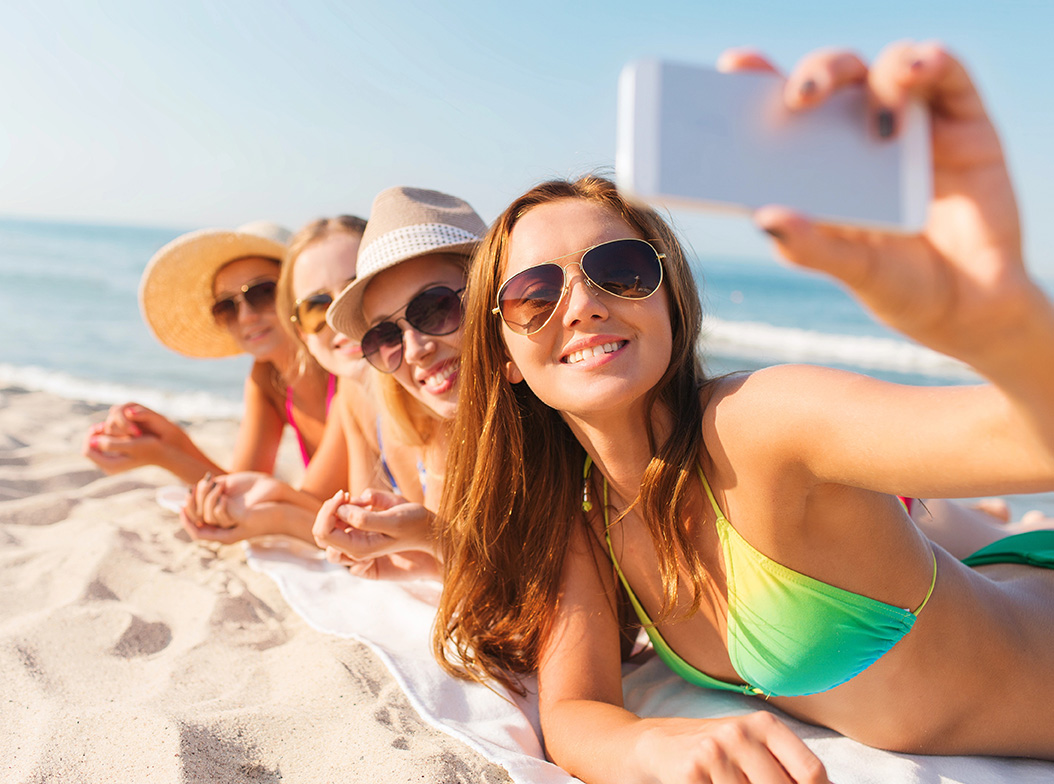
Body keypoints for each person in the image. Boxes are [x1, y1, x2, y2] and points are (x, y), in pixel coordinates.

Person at [435, 41, 1054, 784]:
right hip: (996, 578)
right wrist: (655, 747)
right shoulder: (587, 512)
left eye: (620, 271)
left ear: (669, 302)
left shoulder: (758, 422)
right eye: (535, 295)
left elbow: (1031, 442)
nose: (585, 303)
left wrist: (1002, 327)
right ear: (504, 357)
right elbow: (575, 711)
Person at [185, 188, 486, 581]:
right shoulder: (360, 393)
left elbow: (457, 551)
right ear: (300, 331)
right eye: (315, 307)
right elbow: (373, 533)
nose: (333, 318)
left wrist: (275, 508)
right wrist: (272, 503)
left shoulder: (441, 388)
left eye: (352, 291)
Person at [83, 221, 333, 485]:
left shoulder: (341, 372)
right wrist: (166, 443)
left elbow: (301, 507)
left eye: (263, 293)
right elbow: (242, 486)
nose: (246, 316)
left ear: (297, 291)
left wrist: (165, 453)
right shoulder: (267, 376)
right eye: (227, 306)